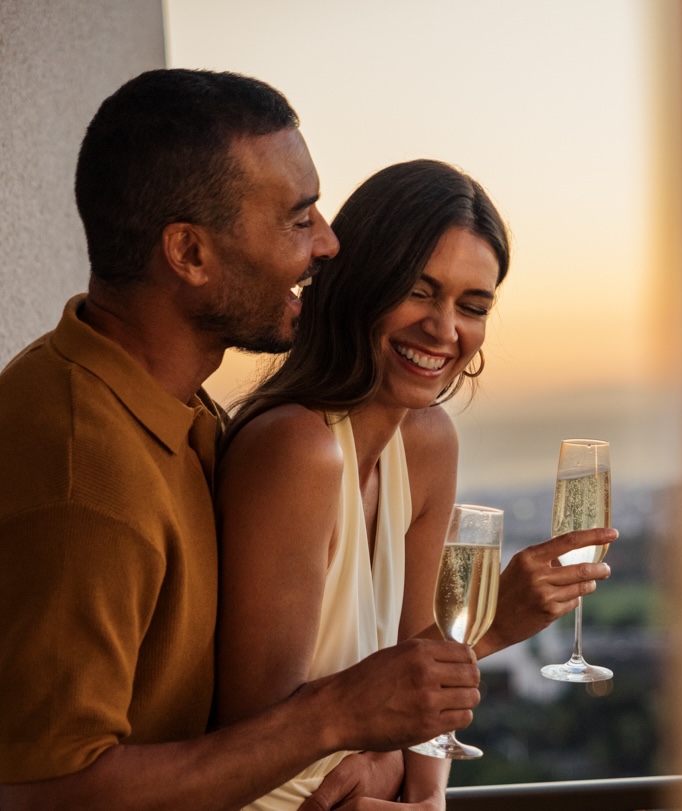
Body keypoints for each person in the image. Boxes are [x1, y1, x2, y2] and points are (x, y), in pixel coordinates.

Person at [0, 69, 481, 811]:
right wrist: (337, 713)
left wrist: (378, 754)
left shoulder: (169, 407)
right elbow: (48, 796)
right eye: (298, 219)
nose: (328, 243)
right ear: (190, 254)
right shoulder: (84, 476)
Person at [215, 159, 618, 810]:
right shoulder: (296, 448)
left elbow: (419, 672)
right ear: (359, 283)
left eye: (472, 305)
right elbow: (256, 745)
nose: (444, 329)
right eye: (419, 290)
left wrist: (423, 799)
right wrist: (493, 624)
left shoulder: (427, 441)